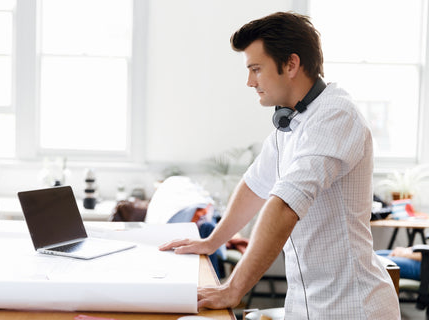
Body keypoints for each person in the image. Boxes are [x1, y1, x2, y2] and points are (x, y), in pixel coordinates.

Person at [159, 12, 400, 319]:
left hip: (351, 308)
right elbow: (254, 186)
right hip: (307, 304)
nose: (250, 82)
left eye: (256, 69)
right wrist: (211, 241)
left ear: (291, 64)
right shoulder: (291, 124)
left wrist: (233, 289)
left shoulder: (336, 116)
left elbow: (284, 205)